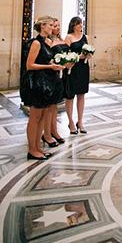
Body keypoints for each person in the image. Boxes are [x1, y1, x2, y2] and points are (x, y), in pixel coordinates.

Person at [20, 16, 65, 160]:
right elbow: (29, 65)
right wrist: (50, 66)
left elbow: (45, 59)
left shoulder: (47, 42)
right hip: (37, 83)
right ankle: (32, 149)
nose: (53, 27)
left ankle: (38, 147)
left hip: (47, 83)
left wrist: (56, 64)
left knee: (43, 116)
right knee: (35, 117)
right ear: (43, 26)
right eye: (50, 25)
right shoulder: (36, 43)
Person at [42, 18, 68, 148]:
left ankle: (54, 131)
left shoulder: (61, 39)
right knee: (48, 107)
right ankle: (46, 134)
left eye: (58, 25)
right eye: (54, 26)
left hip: (58, 75)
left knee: (54, 106)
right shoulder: (48, 41)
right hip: (49, 74)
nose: (57, 28)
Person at [63, 16, 91, 134]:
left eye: (81, 23)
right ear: (73, 25)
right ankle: (71, 122)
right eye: (78, 24)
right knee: (70, 96)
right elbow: (64, 55)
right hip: (72, 69)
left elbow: (89, 50)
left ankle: (80, 122)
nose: (81, 25)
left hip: (83, 68)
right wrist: (78, 57)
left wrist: (89, 55)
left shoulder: (86, 37)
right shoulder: (69, 37)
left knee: (81, 95)